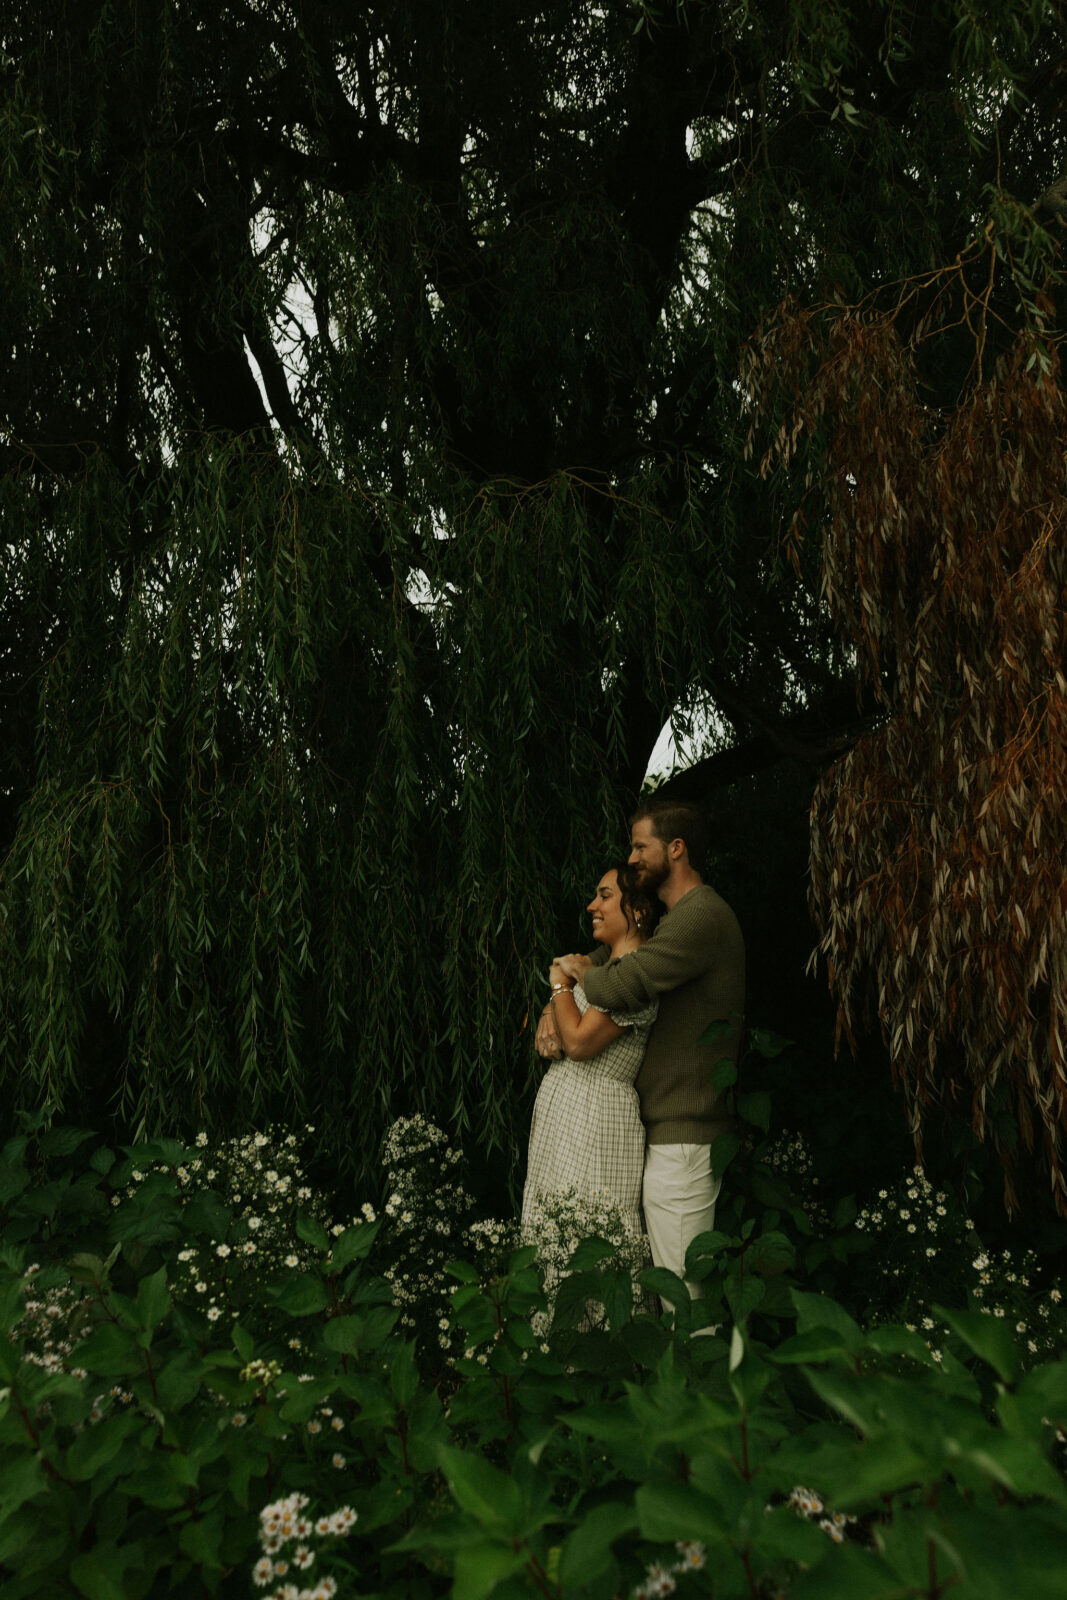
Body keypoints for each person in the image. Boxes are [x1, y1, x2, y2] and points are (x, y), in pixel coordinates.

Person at [537, 799, 745, 1308]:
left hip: (686, 1131)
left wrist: (569, 981)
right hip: (663, 1128)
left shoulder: (701, 917)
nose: (630, 858)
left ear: (676, 849)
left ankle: (707, 1382)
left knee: (683, 1291)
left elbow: (622, 980)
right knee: (664, 1284)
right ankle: (672, 1381)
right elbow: (610, 960)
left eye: (639, 846)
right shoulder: (674, 923)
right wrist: (555, 1000)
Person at [521, 865, 661, 1245]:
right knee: (554, 1233)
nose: (590, 905)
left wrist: (557, 986)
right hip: (568, 1112)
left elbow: (579, 1044)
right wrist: (558, 994)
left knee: (591, 1239)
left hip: (597, 1116)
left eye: (604, 895)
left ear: (639, 910)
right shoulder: (602, 968)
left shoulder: (636, 974)